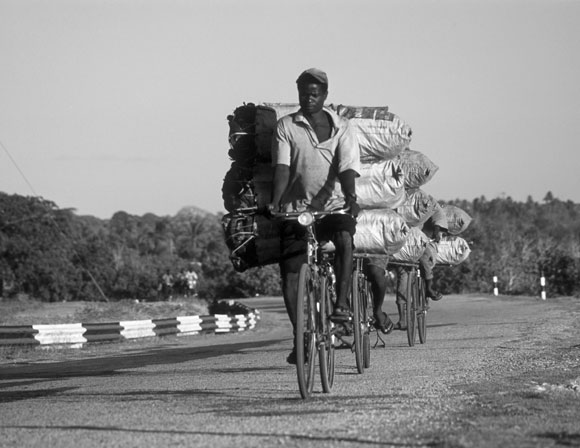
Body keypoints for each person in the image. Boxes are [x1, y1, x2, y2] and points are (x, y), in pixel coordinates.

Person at [267, 68, 361, 364]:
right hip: (296, 212)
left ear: (325, 96)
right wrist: (276, 202)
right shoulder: (286, 126)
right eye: (303, 93)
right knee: (290, 275)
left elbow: (347, 168)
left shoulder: (342, 127)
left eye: (314, 93)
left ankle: (342, 304)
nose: (308, 98)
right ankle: (301, 337)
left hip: (332, 208)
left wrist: (351, 197)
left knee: (345, 239)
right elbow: (282, 167)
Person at [393, 204, 447, 330]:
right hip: (403, 240)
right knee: (402, 273)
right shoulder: (397, 200)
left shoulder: (423, 201)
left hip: (422, 240)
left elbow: (437, 215)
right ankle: (402, 318)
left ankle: (428, 288)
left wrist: (437, 230)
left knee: (425, 256)